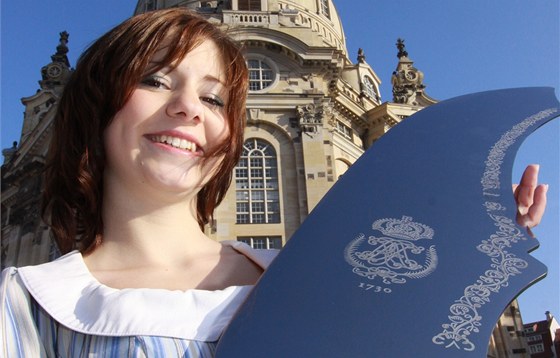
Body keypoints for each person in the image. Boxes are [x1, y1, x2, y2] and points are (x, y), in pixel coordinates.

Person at [0, 8, 549, 358]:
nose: (188, 108)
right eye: (155, 79)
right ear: (93, 111)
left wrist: (463, 251)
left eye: (216, 97)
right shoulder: (29, 305)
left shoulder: (327, 280)